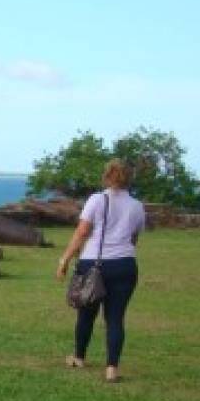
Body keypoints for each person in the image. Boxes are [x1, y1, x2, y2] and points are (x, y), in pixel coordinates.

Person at [55, 159, 146, 382]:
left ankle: (79, 356)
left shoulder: (97, 200)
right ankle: (112, 368)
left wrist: (64, 260)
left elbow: (82, 232)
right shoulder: (136, 206)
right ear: (128, 180)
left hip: (93, 263)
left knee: (86, 313)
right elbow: (134, 238)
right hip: (125, 264)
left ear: (107, 177)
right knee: (115, 318)